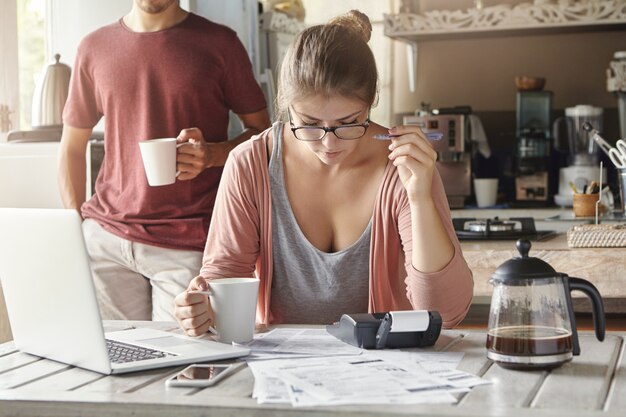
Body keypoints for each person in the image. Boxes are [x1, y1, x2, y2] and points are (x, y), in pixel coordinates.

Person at [174, 10, 473, 334]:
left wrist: (419, 198)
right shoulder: (250, 164)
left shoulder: (404, 167)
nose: (328, 143)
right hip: (284, 370)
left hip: (389, 371)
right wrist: (202, 308)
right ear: (286, 104)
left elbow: (445, 312)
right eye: (310, 123)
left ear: (372, 101)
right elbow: (223, 283)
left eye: (347, 123)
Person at [58, 0, 271, 321]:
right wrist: (75, 226)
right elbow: (72, 148)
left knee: (182, 362)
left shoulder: (220, 43)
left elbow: (263, 135)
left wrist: (212, 155)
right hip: (105, 242)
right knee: (116, 362)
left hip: (188, 243)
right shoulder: (94, 47)